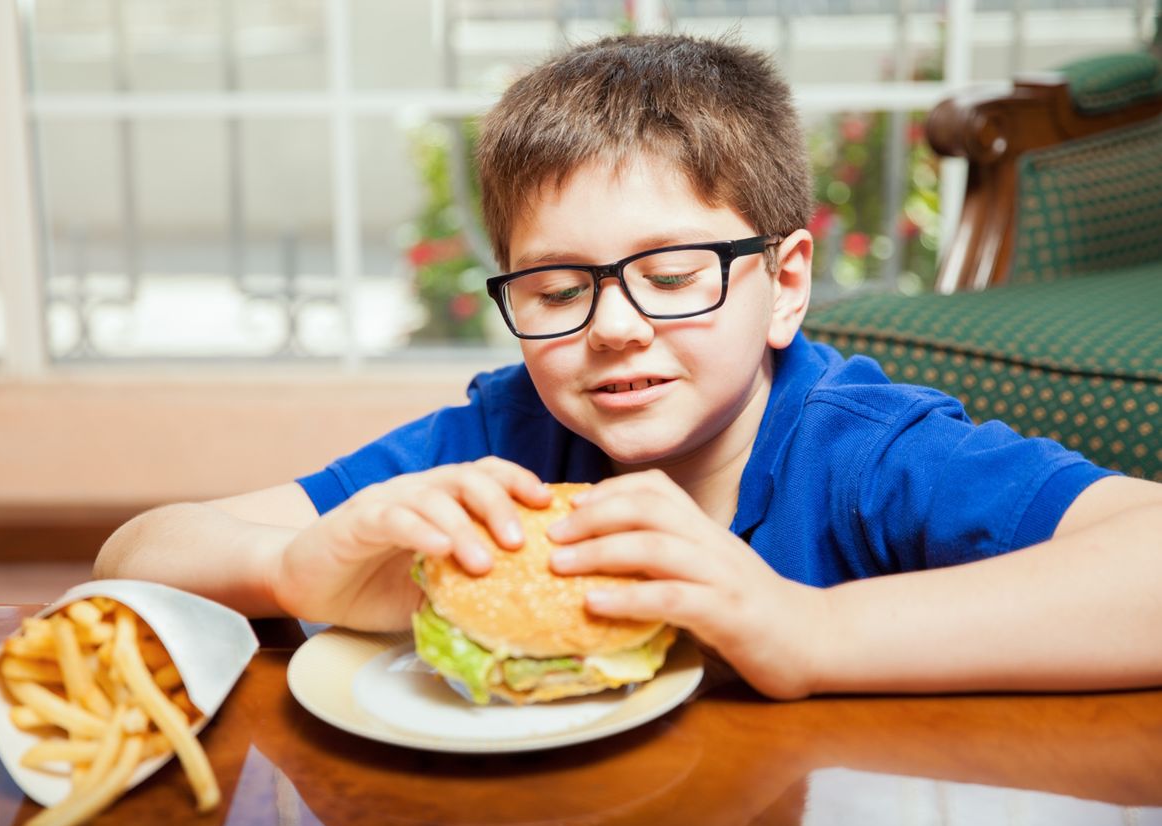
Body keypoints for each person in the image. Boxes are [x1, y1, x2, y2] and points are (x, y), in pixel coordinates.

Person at [94, 34, 1162, 700]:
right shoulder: (500, 442)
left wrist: (809, 630)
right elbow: (136, 553)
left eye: (673, 272)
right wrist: (292, 570)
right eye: (557, 291)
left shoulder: (861, 451)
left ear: (784, 283)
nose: (612, 327)